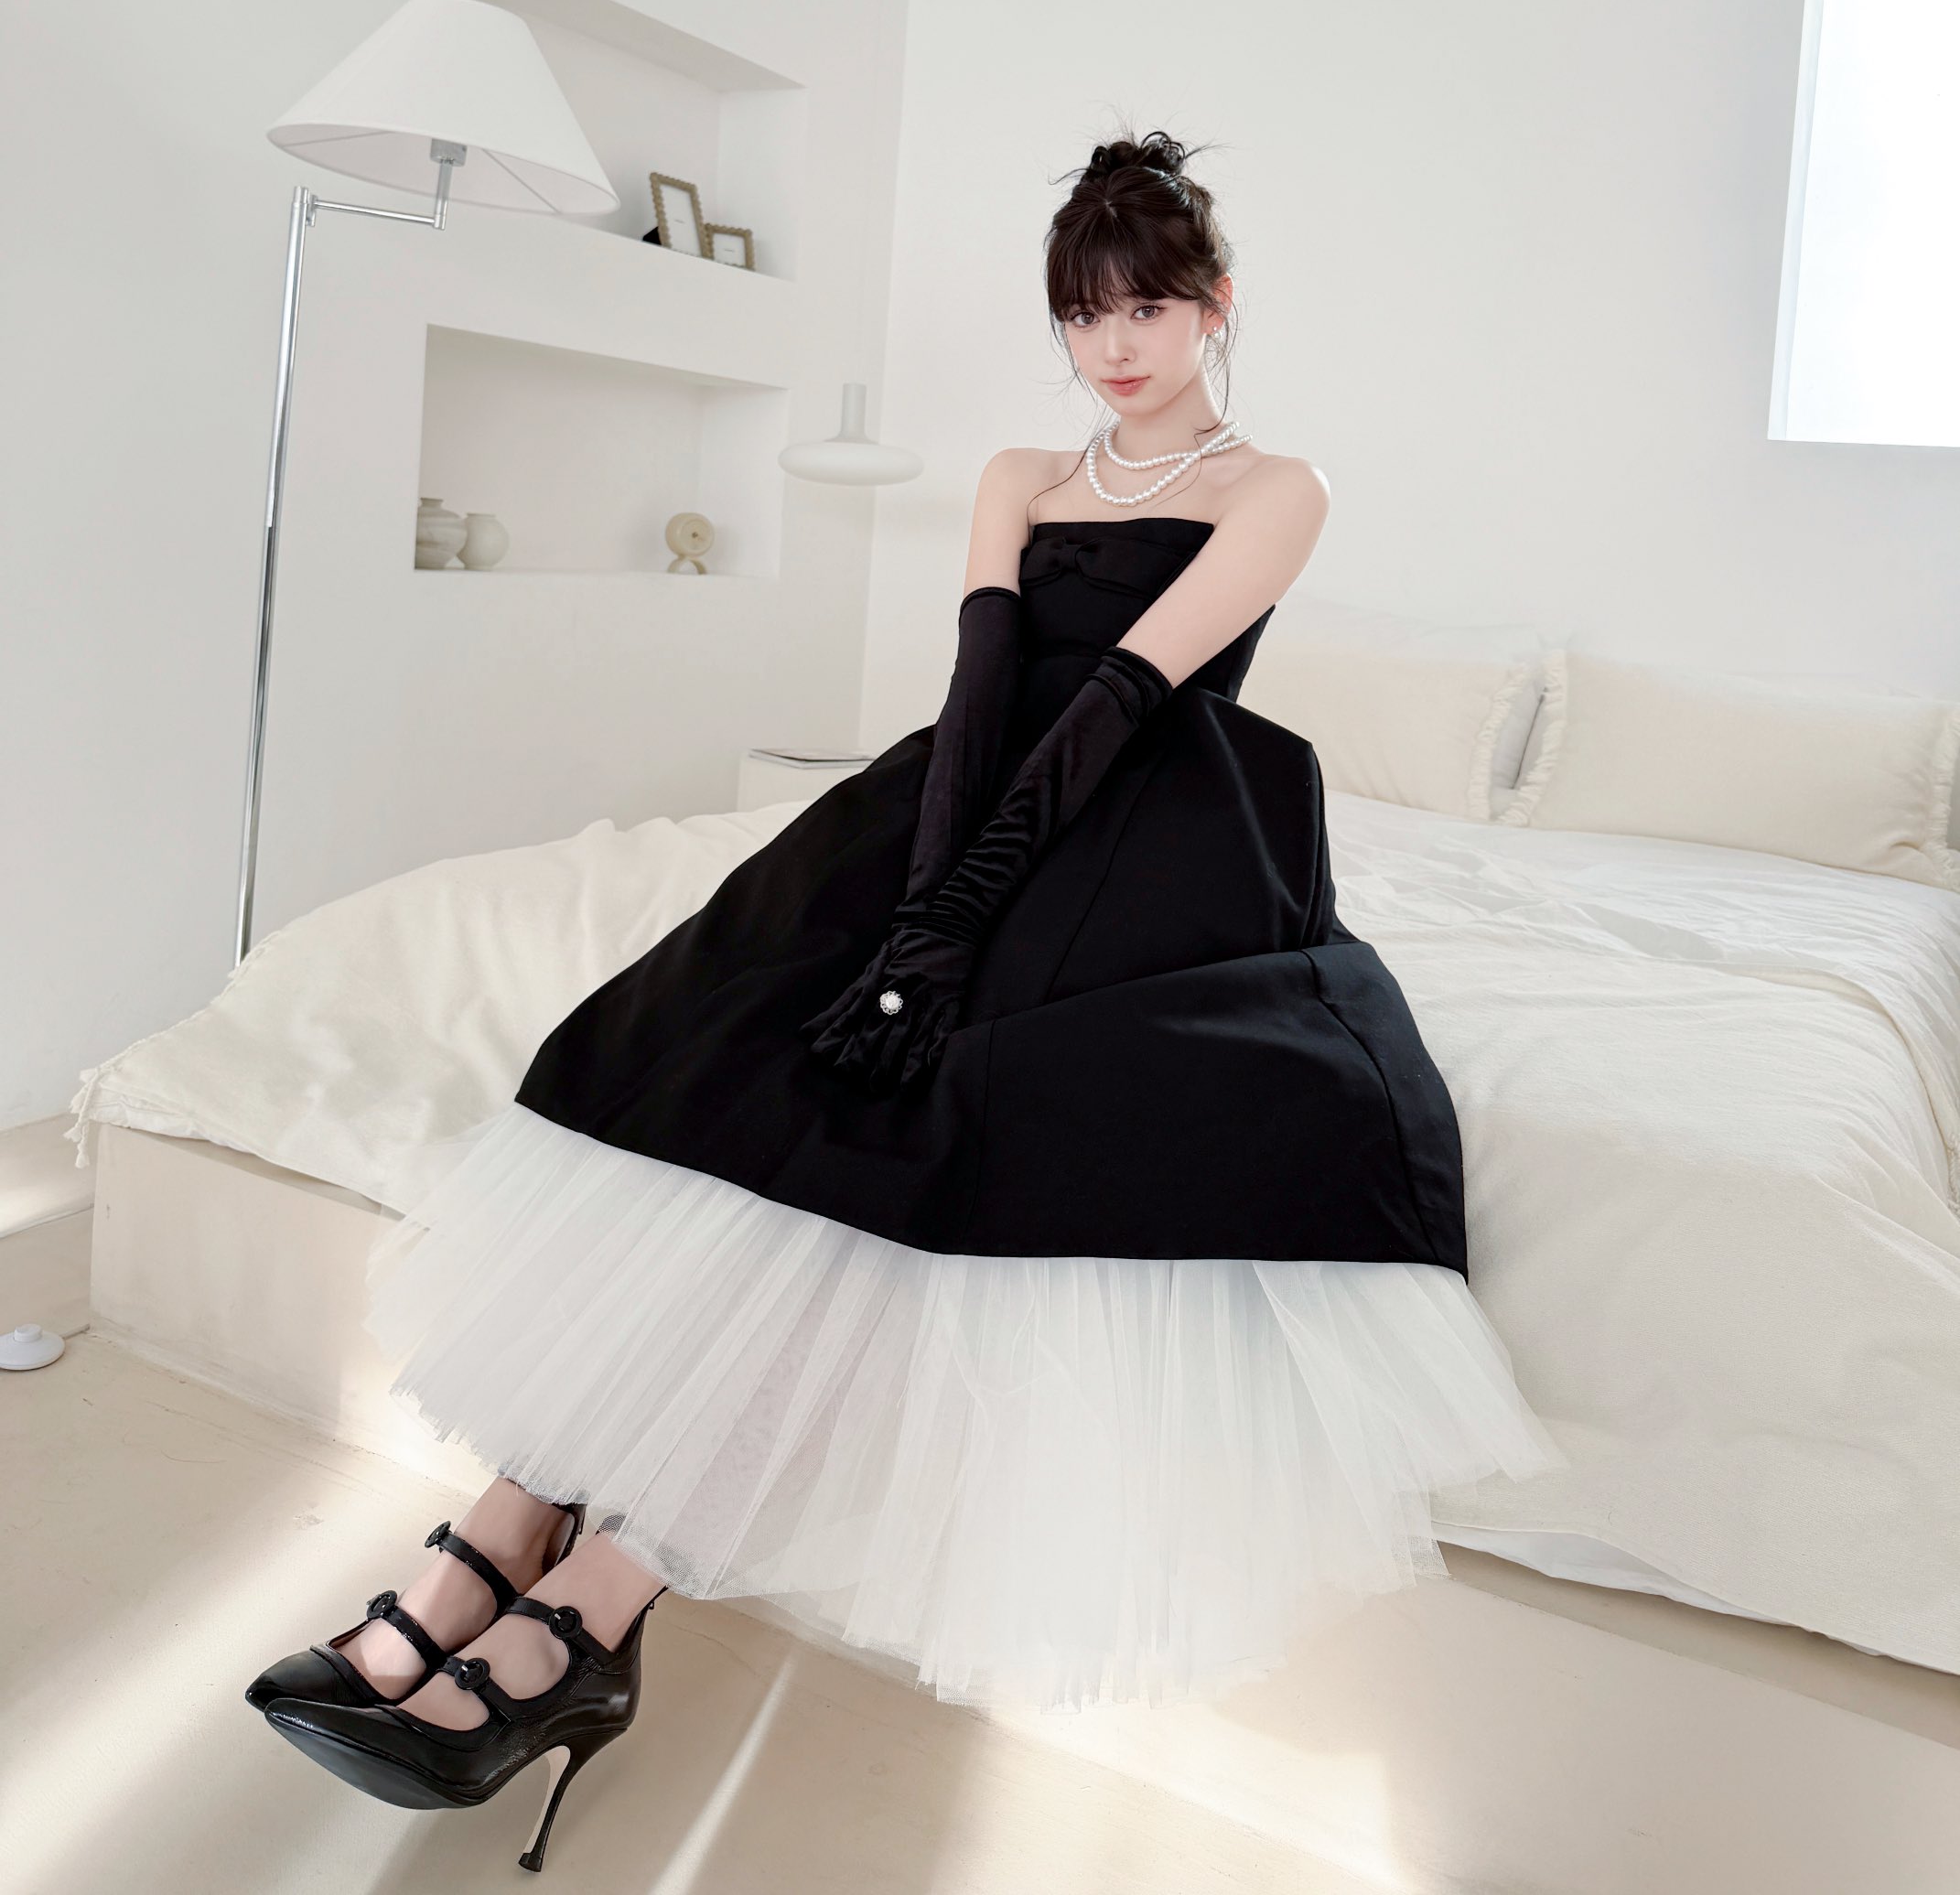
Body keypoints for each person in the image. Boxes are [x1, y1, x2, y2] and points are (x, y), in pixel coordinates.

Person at [244, 131, 1559, 1869]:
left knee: (915, 1146)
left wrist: (952, 932)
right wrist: (911, 912)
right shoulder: (1018, 471)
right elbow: (981, 695)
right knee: (717, 1065)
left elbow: (1117, 705)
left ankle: (597, 1603)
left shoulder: (1276, 489)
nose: (1113, 346)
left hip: (1147, 830)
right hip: (953, 807)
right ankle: (502, 1528)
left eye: (1146, 308)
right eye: (1082, 314)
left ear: (1214, 306)